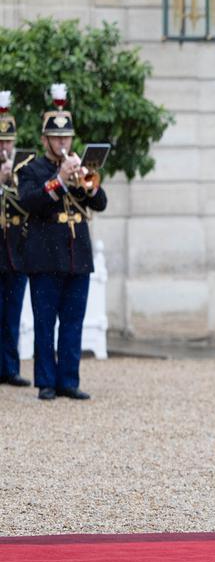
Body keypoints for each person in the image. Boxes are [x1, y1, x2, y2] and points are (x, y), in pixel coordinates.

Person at [19, 84, 107, 401]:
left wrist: (87, 183)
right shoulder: (32, 169)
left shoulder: (80, 168)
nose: (62, 142)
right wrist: (59, 181)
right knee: (45, 323)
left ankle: (69, 380)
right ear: (45, 140)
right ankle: (45, 382)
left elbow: (101, 203)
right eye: (56, 138)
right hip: (45, 256)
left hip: (76, 256)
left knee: (73, 322)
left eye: (66, 137)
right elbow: (30, 200)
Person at [0, 90, 30, 387]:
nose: (4, 148)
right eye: (0, 143)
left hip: (15, 253)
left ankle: (9, 368)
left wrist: (12, 181)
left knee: (13, 315)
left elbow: (27, 206)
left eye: (8, 142)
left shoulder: (22, 172)